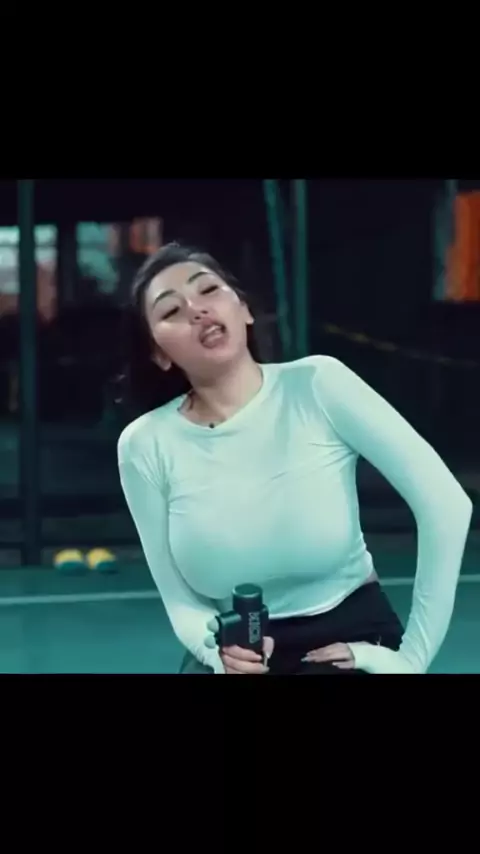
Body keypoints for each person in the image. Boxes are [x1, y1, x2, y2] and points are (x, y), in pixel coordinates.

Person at [117, 242, 472, 675]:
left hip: (349, 638)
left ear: (244, 309)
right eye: (172, 310)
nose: (197, 310)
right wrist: (219, 656)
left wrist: (412, 658)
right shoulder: (144, 445)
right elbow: (181, 602)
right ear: (159, 354)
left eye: (208, 289)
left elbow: (447, 505)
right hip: (238, 647)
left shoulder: (319, 384)